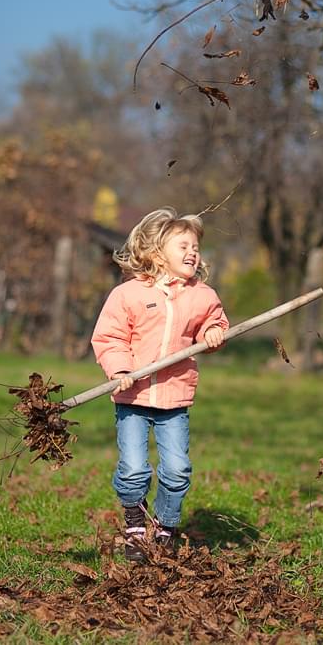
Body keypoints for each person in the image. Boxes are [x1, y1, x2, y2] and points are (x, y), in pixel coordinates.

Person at [91, 207, 229, 561]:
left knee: (177, 468)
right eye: (182, 245)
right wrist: (120, 370)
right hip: (132, 396)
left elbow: (213, 324)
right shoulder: (128, 294)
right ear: (156, 253)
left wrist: (214, 333)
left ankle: (165, 527)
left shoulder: (202, 296)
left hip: (174, 398)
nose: (192, 252)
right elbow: (110, 337)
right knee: (135, 467)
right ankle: (136, 525)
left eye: (195, 246)